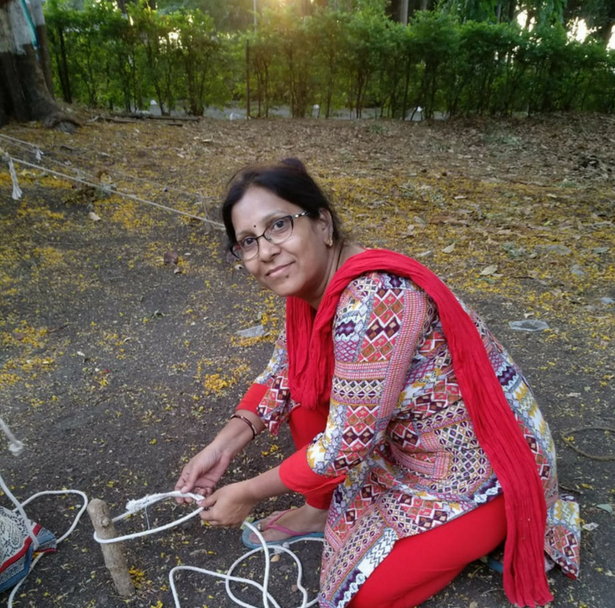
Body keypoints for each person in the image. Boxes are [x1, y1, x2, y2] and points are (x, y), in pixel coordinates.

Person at [175, 159, 580, 608]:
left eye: (279, 226)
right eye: (248, 241)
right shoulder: (314, 293)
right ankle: (319, 509)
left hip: (482, 470)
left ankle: (496, 528)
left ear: (323, 223)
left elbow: (346, 443)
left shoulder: (377, 298)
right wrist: (222, 447)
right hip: (407, 444)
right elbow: (283, 377)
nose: (265, 251)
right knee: (306, 394)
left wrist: (246, 493)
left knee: (365, 595)